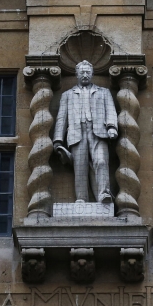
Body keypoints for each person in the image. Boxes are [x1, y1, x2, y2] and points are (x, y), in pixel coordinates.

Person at [53, 60, 118, 203]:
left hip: (98, 132)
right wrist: (58, 140)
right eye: (82, 72)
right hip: (77, 133)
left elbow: (111, 111)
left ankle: (104, 194)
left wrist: (112, 127)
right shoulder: (67, 95)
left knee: (101, 161)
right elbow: (61, 118)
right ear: (76, 74)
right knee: (80, 167)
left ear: (92, 74)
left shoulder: (104, 92)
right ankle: (81, 198)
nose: (85, 75)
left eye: (88, 72)